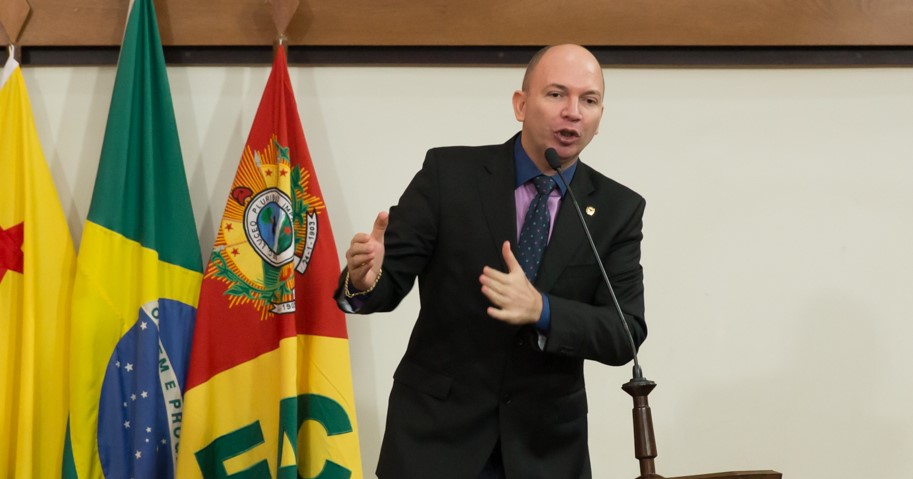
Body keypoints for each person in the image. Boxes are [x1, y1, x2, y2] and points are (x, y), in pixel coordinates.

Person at [335, 44, 647, 479]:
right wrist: (364, 279)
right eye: (556, 95)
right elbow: (379, 290)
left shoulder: (617, 209)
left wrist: (544, 310)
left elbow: (624, 332)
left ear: (599, 117)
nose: (573, 112)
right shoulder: (450, 175)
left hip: (545, 452)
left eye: (589, 100)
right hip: (435, 444)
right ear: (521, 105)